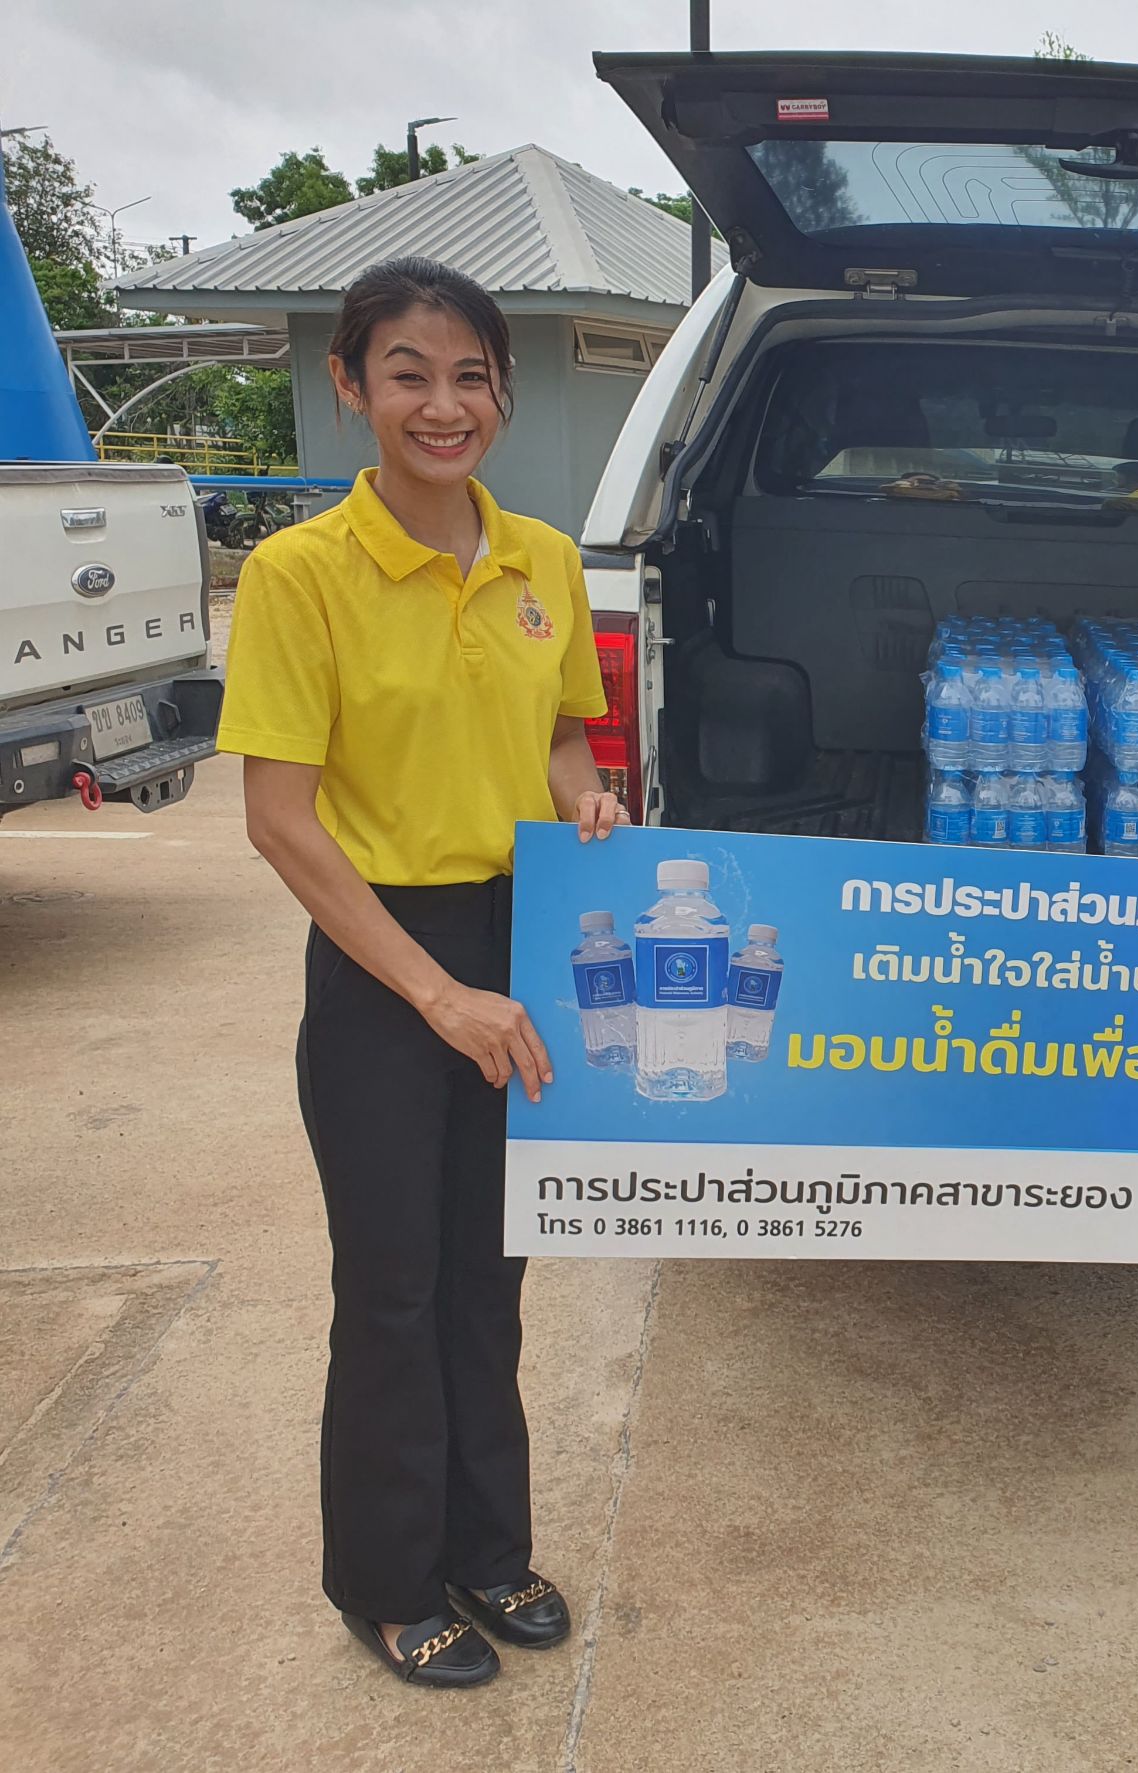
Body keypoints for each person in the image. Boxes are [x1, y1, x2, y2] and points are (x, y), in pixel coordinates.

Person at [218, 257, 625, 1687]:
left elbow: (570, 741)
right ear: (350, 386)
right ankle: (388, 1579)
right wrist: (435, 992)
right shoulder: (299, 572)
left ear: (501, 393)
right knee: (391, 1282)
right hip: (385, 961)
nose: (441, 404)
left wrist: (586, 802)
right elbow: (281, 818)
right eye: (407, 372)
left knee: (487, 1279)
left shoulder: (546, 563)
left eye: (469, 376)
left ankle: (489, 1551)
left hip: (521, 941)